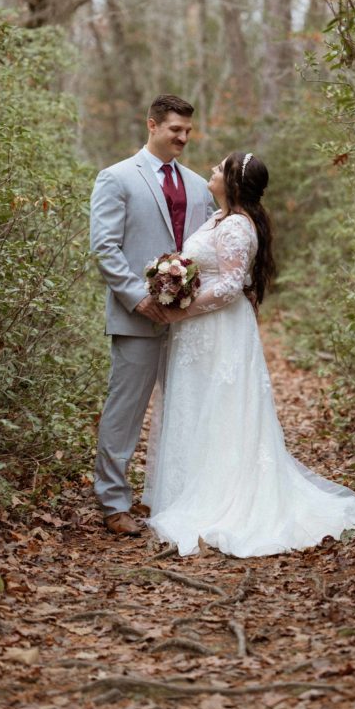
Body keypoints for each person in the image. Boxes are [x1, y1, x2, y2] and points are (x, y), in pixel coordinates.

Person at [143, 151, 355, 557]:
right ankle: (189, 488)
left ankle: (222, 496)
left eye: (217, 168)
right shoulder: (219, 219)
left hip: (218, 330)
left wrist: (182, 309)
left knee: (222, 407)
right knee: (198, 405)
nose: (210, 171)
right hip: (201, 331)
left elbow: (229, 286)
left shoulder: (236, 229)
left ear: (231, 182)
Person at [89, 95, 214, 536]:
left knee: (184, 411)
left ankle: (176, 497)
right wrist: (136, 298)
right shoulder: (117, 177)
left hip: (188, 322)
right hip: (136, 319)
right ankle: (113, 504)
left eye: (187, 131)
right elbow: (104, 246)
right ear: (152, 125)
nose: (182, 137)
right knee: (125, 412)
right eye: (174, 129)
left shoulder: (200, 186)